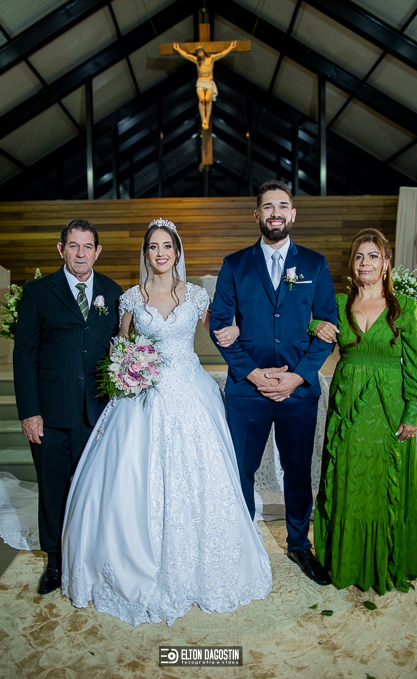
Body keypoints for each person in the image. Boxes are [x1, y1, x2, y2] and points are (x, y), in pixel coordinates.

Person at [61, 219, 272, 627]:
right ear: (146, 254)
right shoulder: (131, 298)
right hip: (142, 398)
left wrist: (239, 330)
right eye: (153, 247)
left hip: (191, 394)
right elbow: (120, 345)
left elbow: (221, 332)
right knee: (134, 476)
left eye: (166, 246)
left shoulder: (195, 296)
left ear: (177, 252)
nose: (160, 253)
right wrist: (127, 369)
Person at [210, 180, 337, 586]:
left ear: (293, 214)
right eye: (268, 206)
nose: (275, 213)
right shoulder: (235, 264)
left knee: (298, 471)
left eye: (282, 206)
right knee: (241, 469)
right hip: (247, 391)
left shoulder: (314, 264)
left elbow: (328, 328)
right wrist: (252, 373)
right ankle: (242, 540)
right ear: (257, 215)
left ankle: (299, 544)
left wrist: (297, 376)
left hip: (298, 390)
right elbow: (219, 326)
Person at [310, 228, 417, 594]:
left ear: (386, 264)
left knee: (382, 486)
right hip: (347, 409)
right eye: (359, 256)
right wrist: (315, 324)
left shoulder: (404, 308)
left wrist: (412, 411)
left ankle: (384, 560)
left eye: (373, 256)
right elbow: (303, 323)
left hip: (389, 410)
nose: (365, 262)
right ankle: (345, 560)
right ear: (351, 263)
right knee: (346, 481)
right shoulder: (338, 304)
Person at [13, 219, 122, 595]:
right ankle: (56, 561)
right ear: (61, 250)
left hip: (97, 413)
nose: (80, 253)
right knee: (53, 488)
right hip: (51, 413)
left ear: (98, 251)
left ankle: (90, 556)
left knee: (94, 489)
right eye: (73, 246)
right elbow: (24, 355)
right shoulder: (38, 292)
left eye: (87, 246)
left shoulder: (112, 291)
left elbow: (119, 347)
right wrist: (29, 412)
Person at [173, 41, 236, 129]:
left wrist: (230, 47)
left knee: (208, 100)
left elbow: (221, 54)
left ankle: (208, 118)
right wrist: (178, 49)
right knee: (202, 100)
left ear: (203, 51)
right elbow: (187, 56)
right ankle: (204, 120)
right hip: (201, 82)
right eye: (198, 53)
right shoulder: (197, 61)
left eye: (200, 51)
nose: (199, 54)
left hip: (209, 82)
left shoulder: (211, 59)